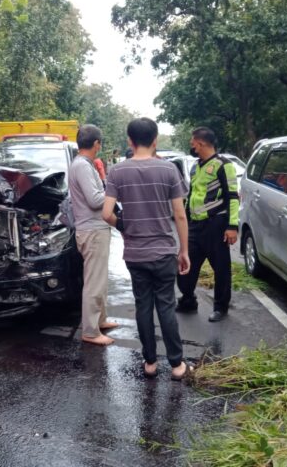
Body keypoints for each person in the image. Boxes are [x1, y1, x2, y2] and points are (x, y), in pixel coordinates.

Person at [102, 117, 191, 380]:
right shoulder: (168, 170)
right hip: (164, 251)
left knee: (143, 305)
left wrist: (124, 226)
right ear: (156, 140)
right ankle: (176, 365)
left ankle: (150, 363)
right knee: (166, 306)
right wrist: (183, 250)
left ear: (130, 141)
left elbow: (107, 213)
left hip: (135, 253)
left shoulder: (117, 172)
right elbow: (180, 215)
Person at [176, 127, 239, 322]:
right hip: (195, 225)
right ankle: (188, 299)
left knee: (221, 269)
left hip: (216, 225)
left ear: (201, 143)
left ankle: (221, 307)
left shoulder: (223, 165)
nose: (191, 145)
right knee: (186, 264)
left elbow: (233, 196)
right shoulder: (196, 166)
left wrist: (232, 226)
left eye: (193, 142)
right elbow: (193, 195)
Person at [68, 124, 118, 346]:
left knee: (99, 279)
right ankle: (90, 330)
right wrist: (114, 193)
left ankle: (101, 320)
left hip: (94, 228)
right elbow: (95, 200)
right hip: (92, 230)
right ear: (97, 143)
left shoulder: (83, 164)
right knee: (94, 282)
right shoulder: (82, 166)